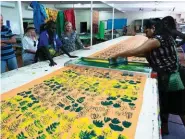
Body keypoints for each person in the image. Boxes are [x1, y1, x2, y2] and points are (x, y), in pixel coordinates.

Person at [110, 19, 185, 135]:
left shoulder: (157, 40)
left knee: (178, 107)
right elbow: (144, 52)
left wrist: (117, 55)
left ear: (153, 28)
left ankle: (163, 129)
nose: (145, 31)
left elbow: (138, 50)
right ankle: (164, 129)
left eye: (147, 28)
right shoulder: (166, 37)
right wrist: (125, 54)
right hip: (172, 75)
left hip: (169, 78)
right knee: (169, 105)